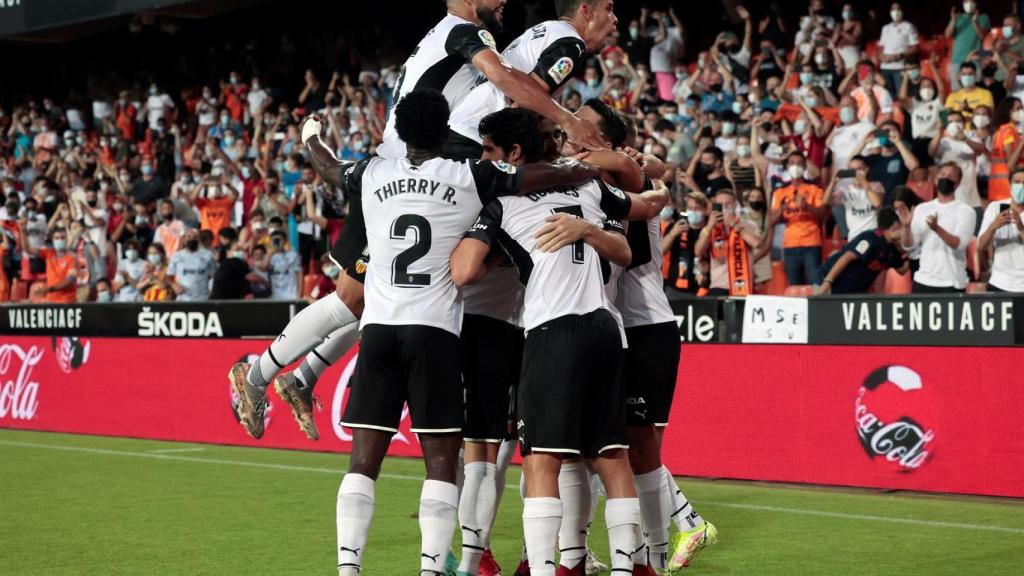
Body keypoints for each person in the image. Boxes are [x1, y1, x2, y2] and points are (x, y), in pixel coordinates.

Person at [451, 120, 666, 576]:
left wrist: (490, 247)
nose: (484, 158)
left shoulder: (501, 200)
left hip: (552, 332)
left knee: (542, 461)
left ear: (512, 153)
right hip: (607, 330)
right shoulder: (582, 184)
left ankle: (545, 569)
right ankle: (631, 568)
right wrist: (590, 229)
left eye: (489, 150)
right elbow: (628, 248)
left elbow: (465, 271)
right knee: (611, 457)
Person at [378, 0, 607, 161]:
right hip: (434, 148)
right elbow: (505, 80)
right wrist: (568, 121)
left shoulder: (441, 33)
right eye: (610, 9)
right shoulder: (464, 31)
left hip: (406, 148)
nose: (504, 0)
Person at [446, 0, 620, 159]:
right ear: (586, 12)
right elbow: (520, 108)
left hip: (461, 129)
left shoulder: (546, 30)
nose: (615, 20)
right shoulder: (572, 45)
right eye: (609, 9)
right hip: (477, 142)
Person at [898, 163, 977, 293]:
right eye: (942, 175)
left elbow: (959, 244)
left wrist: (937, 229)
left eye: (950, 176)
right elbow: (909, 246)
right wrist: (906, 227)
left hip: (952, 281)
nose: (946, 178)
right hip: (923, 280)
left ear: (957, 183)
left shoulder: (966, 211)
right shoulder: (921, 209)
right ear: (935, 179)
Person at [815, 207, 907, 294]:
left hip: (852, 291)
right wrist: (827, 281)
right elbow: (847, 257)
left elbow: (902, 270)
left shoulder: (891, 249)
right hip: (828, 280)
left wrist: (915, 250)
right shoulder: (871, 238)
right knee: (819, 309)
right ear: (895, 224)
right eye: (901, 224)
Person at [770, 152, 828, 285]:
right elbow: (771, 221)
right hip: (790, 245)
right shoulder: (779, 192)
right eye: (792, 163)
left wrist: (807, 206)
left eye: (799, 163)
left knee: (815, 285)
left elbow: (824, 215)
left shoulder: (815, 188)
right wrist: (782, 209)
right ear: (787, 166)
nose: (795, 166)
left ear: (805, 166)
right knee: (794, 287)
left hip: (812, 243)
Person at [696, 189, 759, 296]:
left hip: (743, 284)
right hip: (719, 285)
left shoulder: (748, 225)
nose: (724, 207)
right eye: (720, 205)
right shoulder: (709, 228)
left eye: (728, 204)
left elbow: (757, 243)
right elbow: (698, 251)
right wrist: (710, 226)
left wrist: (735, 225)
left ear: (735, 205)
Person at [977, 168, 1024, 292]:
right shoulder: (994, 207)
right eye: (1017, 182)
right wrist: (993, 226)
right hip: (999, 281)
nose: (1021, 186)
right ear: (1009, 185)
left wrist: (1020, 227)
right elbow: (981, 246)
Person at [824, 155, 883, 240]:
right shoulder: (845, 190)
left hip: (872, 233)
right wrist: (832, 183)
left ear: (866, 169)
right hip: (854, 235)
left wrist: (863, 182)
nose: (856, 173)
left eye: (859, 169)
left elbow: (877, 203)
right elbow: (826, 201)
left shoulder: (876, 186)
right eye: (853, 170)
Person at [17, 224, 77, 303]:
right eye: (57, 238)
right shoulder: (49, 253)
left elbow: (69, 281)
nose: (60, 240)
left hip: (67, 301)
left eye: (62, 238)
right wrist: (23, 232)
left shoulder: (72, 257)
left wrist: (49, 289)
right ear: (53, 240)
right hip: (51, 299)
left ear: (67, 239)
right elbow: (28, 249)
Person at [946, 1, 991, 90]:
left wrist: (975, 21)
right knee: (957, 92)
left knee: (976, 89)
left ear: (976, 3)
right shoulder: (958, 18)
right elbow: (947, 35)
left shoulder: (983, 17)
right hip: (957, 60)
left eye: (971, 1)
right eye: (966, 1)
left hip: (974, 61)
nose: (969, 4)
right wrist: (953, 20)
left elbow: (982, 35)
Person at [877, 2, 920, 96]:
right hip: (885, 67)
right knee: (887, 95)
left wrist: (900, 55)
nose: (895, 12)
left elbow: (915, 47)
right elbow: (881, 47)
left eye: (898, 9)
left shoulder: (908, 26)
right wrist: (881, 57)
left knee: (901, 97)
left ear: (902, 11)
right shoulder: (885, 28)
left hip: (900, 68)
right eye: (893, 9)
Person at [167, 228, 216, 301]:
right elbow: (168, 276)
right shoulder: (177, 256)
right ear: (184, 239)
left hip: (202, 298)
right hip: (183, 298)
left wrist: (211, 291)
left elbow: (214, 276)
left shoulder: (208, 255)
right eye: (189, 237)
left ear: (199, 239)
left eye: (195, 237)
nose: (192, 239)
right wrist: (174, 285)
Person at [267, 229, 301, 300]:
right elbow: (264, 267)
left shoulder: (293, 255)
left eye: (279, 239)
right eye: (274, 240)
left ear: (285, 241)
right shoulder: (268, 257)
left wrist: (299, 294)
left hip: (291, 295)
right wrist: (271, 252)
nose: (277, 242)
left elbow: (299, 275)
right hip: (274, 296)